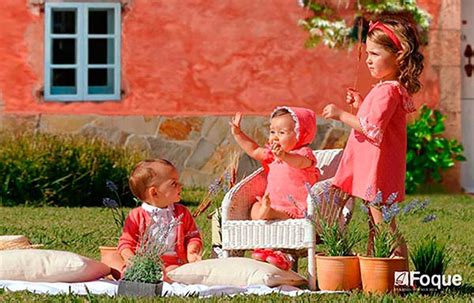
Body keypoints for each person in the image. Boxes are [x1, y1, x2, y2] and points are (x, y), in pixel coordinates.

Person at [322, 16, 424, 258]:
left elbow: (371, 129)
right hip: (379, 167)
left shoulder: (387, 91)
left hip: (377, 171)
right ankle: (376, 274)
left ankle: (400, 278)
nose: (368, 59)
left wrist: (341, 115)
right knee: (375, 224)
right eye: (368, 53)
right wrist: (360, 104)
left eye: (375, 54)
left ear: (398, 56)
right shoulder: (388, 88)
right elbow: (378, 123)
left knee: (383, 225)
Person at [230, 106, 320, 221]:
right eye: (272, 131)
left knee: (282, 214)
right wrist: (238, 134)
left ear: (301, 135)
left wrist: (284, 156)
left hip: (294, 208)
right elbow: (254, 150)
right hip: (271, 202)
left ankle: (268, 213)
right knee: (255, 207)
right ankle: (264, 212)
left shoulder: (304, 154)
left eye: (282, 132)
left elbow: (299, 162)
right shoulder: (272, 154)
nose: (275, 137)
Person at [118, 159, 202, 278]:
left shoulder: (181, 213)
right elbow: (126, 243)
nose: (180, 186)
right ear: (154, 193)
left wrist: (192, 251)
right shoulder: (136, 216)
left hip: (174, 263)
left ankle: (162, 279)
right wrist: (133, 261)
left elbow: (192, 236)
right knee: (128, 273)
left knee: (174, 273)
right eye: (174, 183)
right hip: (144, 263)